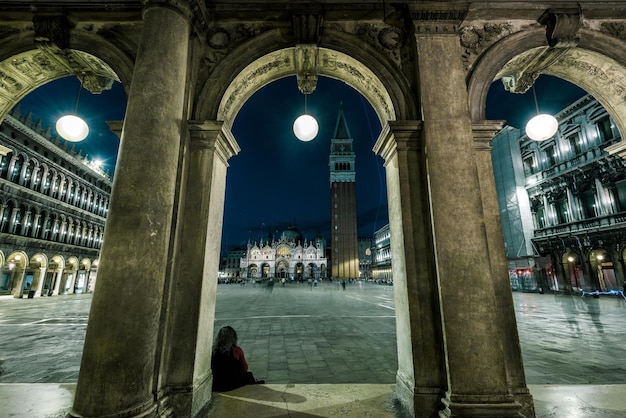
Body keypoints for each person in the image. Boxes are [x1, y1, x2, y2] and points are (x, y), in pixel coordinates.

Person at [211, 326, 264, 391]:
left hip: (217, 385)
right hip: (231, 384)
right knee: (249, 375)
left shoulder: (213, 351)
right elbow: (244, 369)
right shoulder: (236, 351)